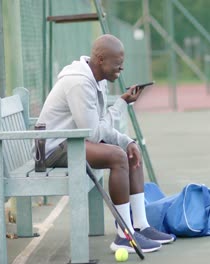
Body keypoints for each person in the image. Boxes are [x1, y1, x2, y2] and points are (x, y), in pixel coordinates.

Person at [36, 34, 174, 253]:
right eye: (117, 65)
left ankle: (139, 225)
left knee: (129, 151)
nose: (121, 70)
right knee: (118, 155)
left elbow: (99, 125)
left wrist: (121, 105)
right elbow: (93, 133)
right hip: (53, 149)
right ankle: (124, 236)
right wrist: (123, 139)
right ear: (100, 59)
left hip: (71, 141)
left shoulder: (97, 80)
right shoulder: (79, 82)